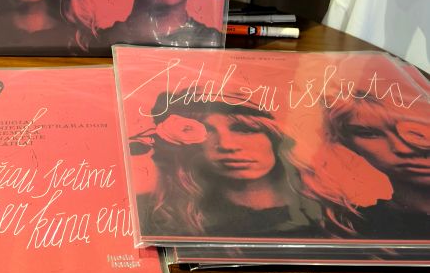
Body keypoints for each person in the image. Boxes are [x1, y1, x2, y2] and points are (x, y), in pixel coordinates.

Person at [139, 95, 328, 239]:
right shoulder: (158, 214)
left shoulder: (333, 215)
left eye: (245, 129)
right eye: (208, 130)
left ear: (276, 137)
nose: (226, 145)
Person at [326, 95, 430, 238]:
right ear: (350, 145)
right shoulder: (346, 229)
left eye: (416, 130)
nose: (401, 148)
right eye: (368, 134)